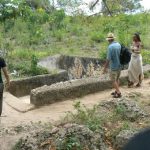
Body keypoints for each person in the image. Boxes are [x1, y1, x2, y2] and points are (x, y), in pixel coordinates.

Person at [103, 33, 122, 98]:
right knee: (117, 79)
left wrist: (105, 68)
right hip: (119, 65)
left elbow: (108, 59)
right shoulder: (118, 44)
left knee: (113, 80)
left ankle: (118, 92)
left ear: (109, 40)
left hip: (113, 66)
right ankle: (116, 91)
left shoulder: (110, 47)